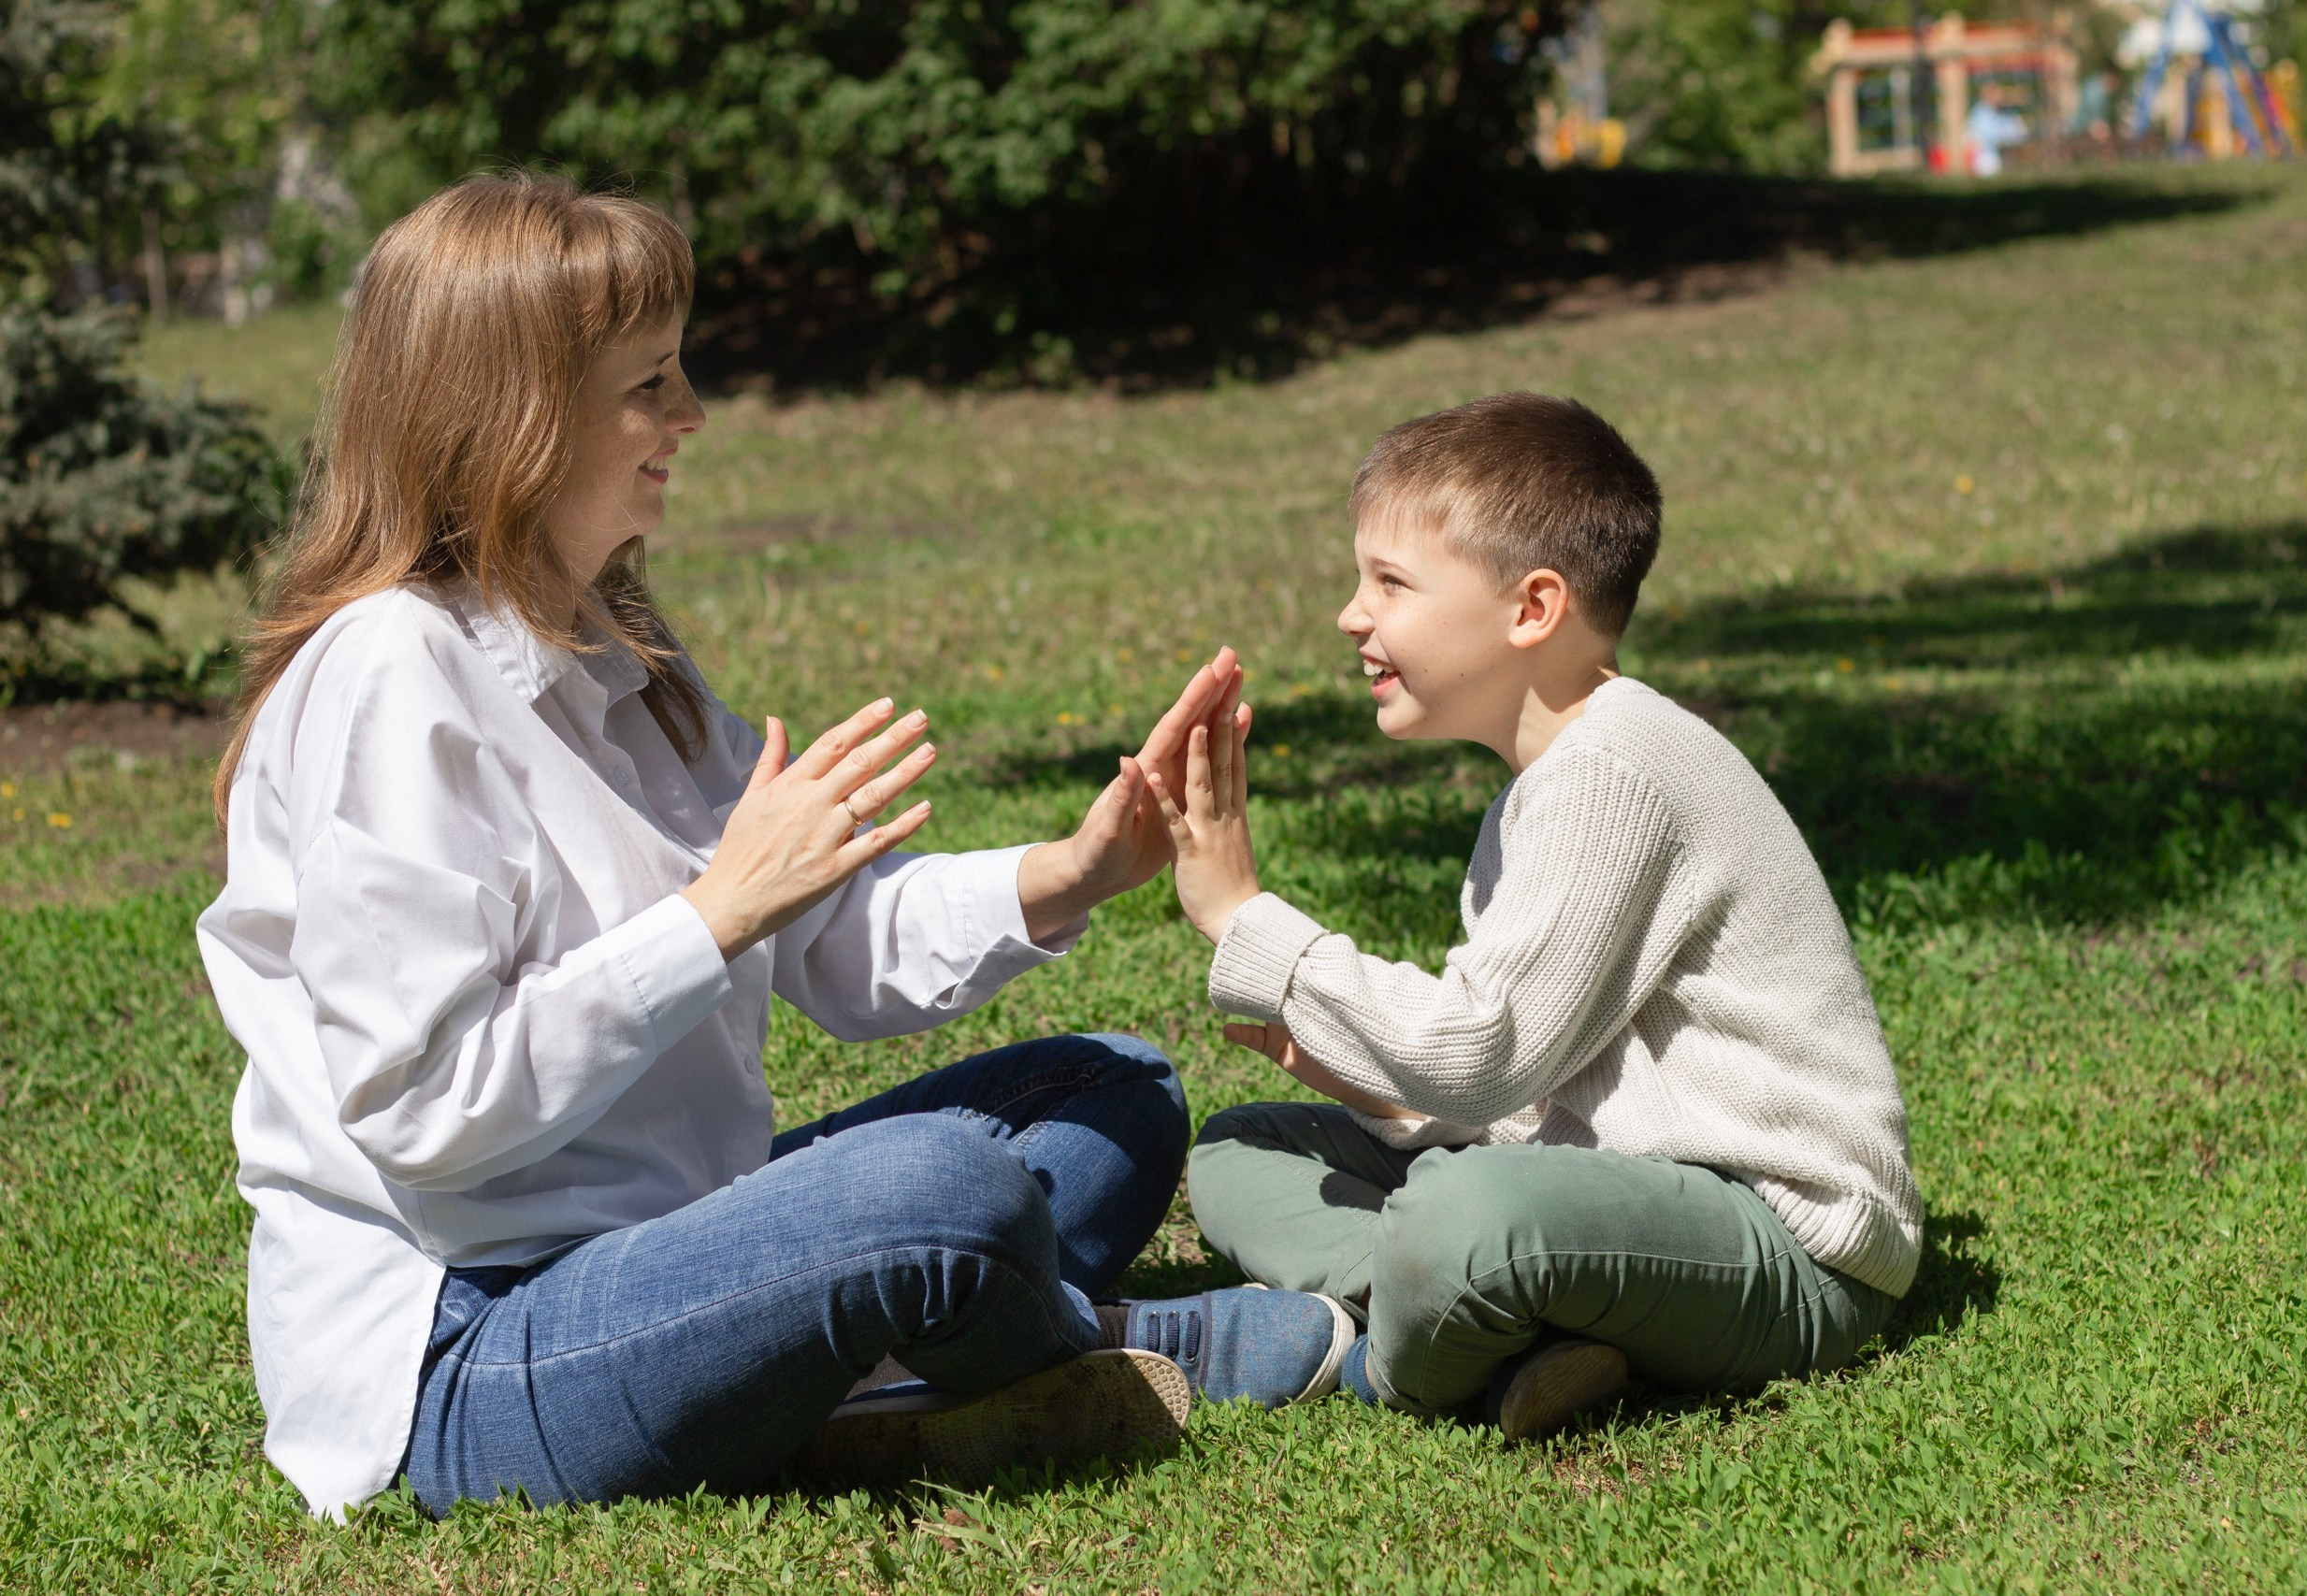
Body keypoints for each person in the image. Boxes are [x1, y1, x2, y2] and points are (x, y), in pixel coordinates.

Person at [198, 173, 1349, 1522]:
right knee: (941, 1191)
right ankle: (1108, 1346)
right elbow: (424, 1110)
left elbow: (831, 938)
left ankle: (868, 1364)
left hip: (678, 1246)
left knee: (1116, 1087)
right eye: (651, 384)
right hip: (470, 1350)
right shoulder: (392, 673)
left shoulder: (618, 651)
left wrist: (1071, 870)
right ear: (515, 417)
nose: (689, 415)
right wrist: (710, 914)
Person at [1141, 394, 1924, 1440]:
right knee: (1246, 1147)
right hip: (1609, 1196)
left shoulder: (1615, 771)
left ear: (1531, 609)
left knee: (1466, 1216)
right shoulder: (1547, 786)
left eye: (1390, 582)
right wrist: (1377, 1100)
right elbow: (1535, 1086)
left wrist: (1245, 916)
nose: (1349, 615)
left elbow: (1482, 1054)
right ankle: (1516, 1336)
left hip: (1783, 1250)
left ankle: (1383, 1360)